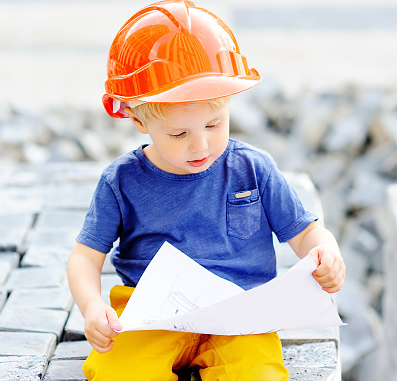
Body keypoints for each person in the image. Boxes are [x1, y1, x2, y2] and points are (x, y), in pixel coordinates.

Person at [67, 1, 346, 380]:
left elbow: (305, 232)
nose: (199, 146)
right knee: (119, 372)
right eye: (178, 134)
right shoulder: (121, 181)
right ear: (136, 118)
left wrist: (325, 252)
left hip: (241, 313)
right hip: (151, 313)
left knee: (258, 374)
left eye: (215, 125)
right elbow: (85, 257)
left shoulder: (253, 168)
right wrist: (91, 305)